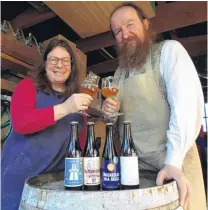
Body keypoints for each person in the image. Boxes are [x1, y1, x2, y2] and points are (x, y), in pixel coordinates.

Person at [102, 3, 206, 210]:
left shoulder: (169, 52)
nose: (125, 34)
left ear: (146, 24)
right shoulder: (119, 73)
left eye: (130, 25)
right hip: (135, 171)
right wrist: (109, 114)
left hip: (172, 167)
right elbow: (118, 119)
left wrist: (173, 160)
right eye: (118, 32)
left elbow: (186, 107)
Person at [1, 39, 93, 210]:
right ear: (45, 64)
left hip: (53, 185)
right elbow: (22, 123)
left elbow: (79, 148)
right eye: (53, 59)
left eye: (65, 60)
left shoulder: (76, 101)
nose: (60, 65)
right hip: (19, 179)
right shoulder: (27, 86)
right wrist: (65, 108)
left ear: (72, 66)